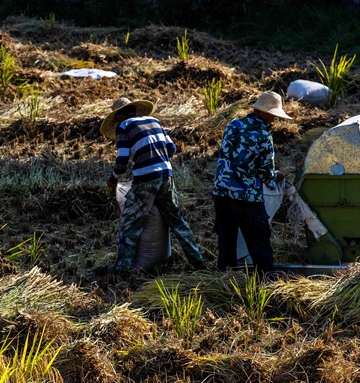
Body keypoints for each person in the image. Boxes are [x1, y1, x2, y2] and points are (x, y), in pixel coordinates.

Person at [101, 97, 206, 275]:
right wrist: (156, 158)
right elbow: (171, 148)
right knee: (177, 220)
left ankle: (120, 270)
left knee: (130, 223)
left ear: (119, 116)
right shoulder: (154, 121)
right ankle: (198, 261)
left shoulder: (123, 126)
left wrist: (114, 179)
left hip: (145, 180)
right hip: (166, 175)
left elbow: (122, 159)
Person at [212, 91, 290, 274]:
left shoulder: (233, 124)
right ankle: (264, 280)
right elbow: (264, 172)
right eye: (273, 115)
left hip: (221, 192)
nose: (274, 120)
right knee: (259, 240)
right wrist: (277, 176)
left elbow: (227, 155)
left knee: (226, 239)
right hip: (246, 196)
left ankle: (225, 279)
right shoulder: (263, 135)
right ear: (263, 113)